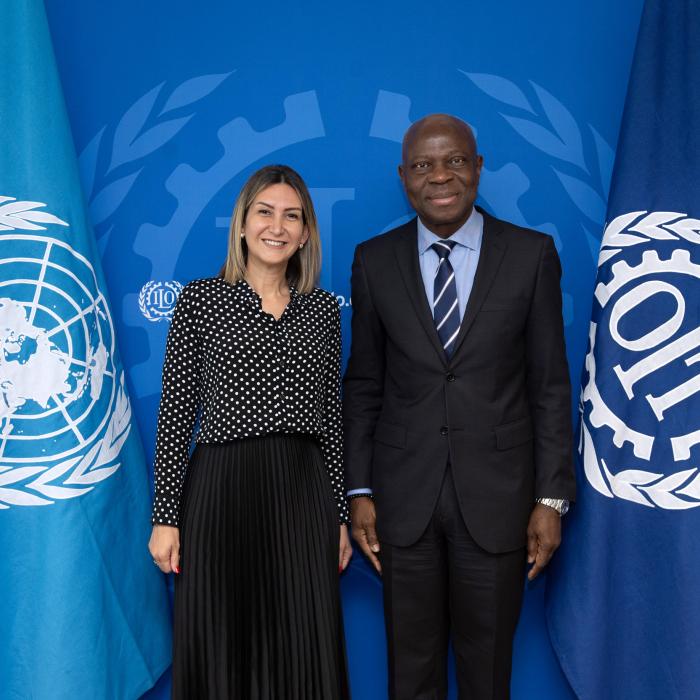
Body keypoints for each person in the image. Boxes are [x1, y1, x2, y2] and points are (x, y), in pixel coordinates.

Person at [343, 114, 576, 699]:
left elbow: (549, 385)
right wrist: (359, 490)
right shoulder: (374, 261)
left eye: (454, 161)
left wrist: (551, 498)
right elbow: (364, 383)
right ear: (404, 177)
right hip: (402, 502)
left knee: (487, 671)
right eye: (423, 165)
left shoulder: (531, 255)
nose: (439, 176)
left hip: (499, 502)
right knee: (411, 672)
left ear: (477, 167)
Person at [148, 164, 352, 700]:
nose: (276, 226)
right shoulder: (199, 302)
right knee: (224, 639)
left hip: (303, 495)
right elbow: (175, 418)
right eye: (264, 212)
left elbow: (331, 419)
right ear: (242, 223)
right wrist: (165, 518)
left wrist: (339, 516)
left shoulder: (323, 311)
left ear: (306, 232)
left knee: (302, 641)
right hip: (223, 490)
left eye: (292, 216)